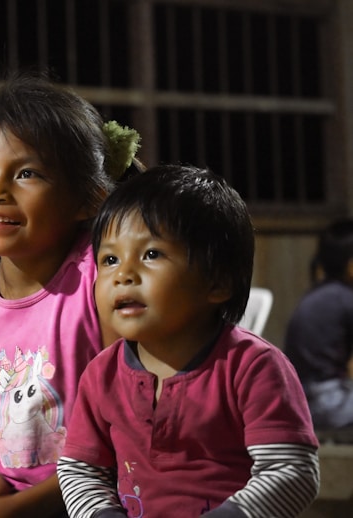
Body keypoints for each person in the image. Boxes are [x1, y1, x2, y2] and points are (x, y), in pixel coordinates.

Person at [0, 71, 141, 518]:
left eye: (26, 173)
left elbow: (125, 437)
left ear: (89, 198)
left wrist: (25, 507)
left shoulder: (101, 282)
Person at [58, 165, 320, 518]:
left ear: (218, 282)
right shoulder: (101, 374)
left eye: (151, 254)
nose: (123, 275)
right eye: (109, 259)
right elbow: (80, 469)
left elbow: (292, 472)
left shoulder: (252, 366)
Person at [284, 217, 353, 434]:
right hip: (327, 404)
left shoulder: (317, 294)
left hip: (298, 400)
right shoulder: (345, 299)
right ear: (351, 266)